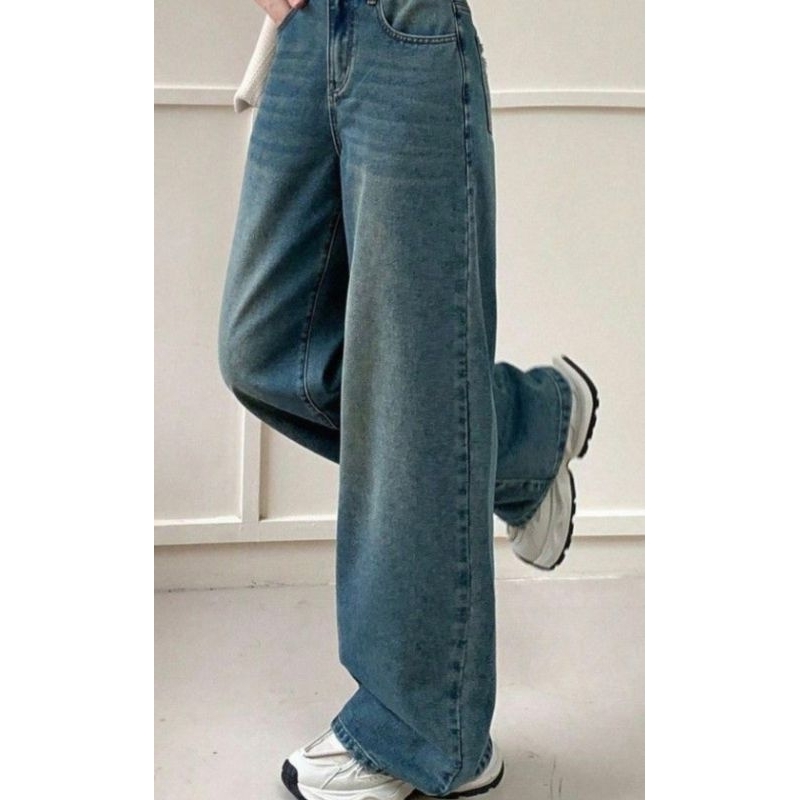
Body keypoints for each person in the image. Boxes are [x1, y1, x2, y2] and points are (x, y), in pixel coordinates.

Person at [217, 1, 600, 798]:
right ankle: (528, 432)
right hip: (307, 28)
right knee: (262, 349)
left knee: (410, 367)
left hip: (409, 26)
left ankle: (429, 734)